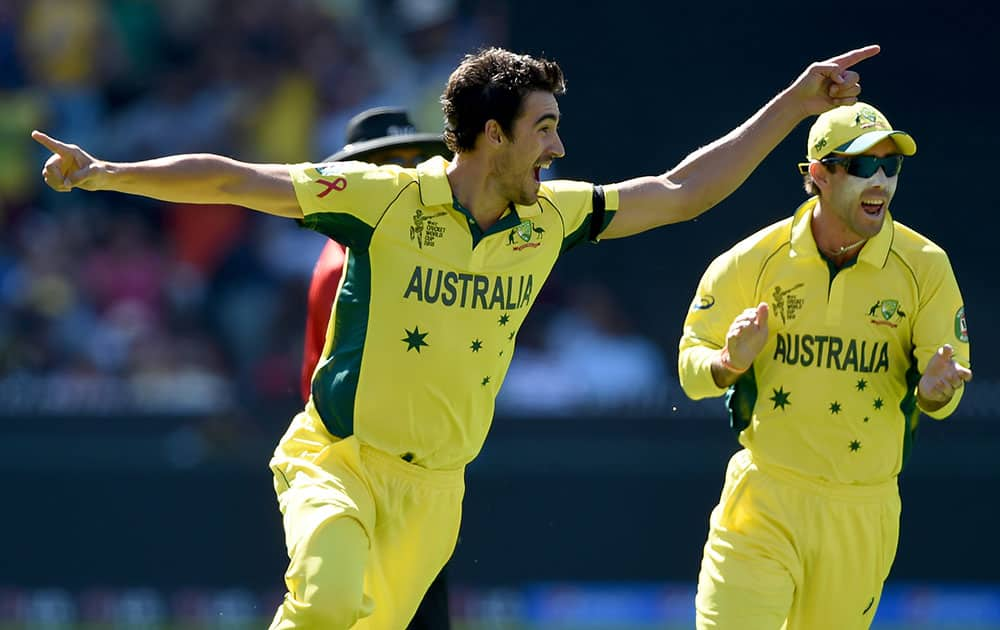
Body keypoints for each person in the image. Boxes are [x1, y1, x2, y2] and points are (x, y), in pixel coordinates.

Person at [33, 44, 878, 629]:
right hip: (340, 461)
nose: (558, 145)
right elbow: (228, 177)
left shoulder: (549, 219)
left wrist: (796, 104)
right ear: (492, 134)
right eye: (543, 127)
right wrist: (105, 170)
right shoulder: (382, 199)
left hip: (437, 494)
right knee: (324, 603)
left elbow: (680, 190)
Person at [678, 101, 972, 629]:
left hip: (862, 511)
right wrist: (727, 361)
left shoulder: (925, 267)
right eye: (862, 166)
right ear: (818, 174)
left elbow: (944, 399)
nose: (880, 180)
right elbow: (689, 366)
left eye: (891, 166)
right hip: (763, 499)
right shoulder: (753, 260)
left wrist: (936, 391)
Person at [300, 107, 454, 630]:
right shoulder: (351, 262)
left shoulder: (395, 244)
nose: (410, 172)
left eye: (417, 160)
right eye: (390, 162)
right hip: (370, 469)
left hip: (414, 469)